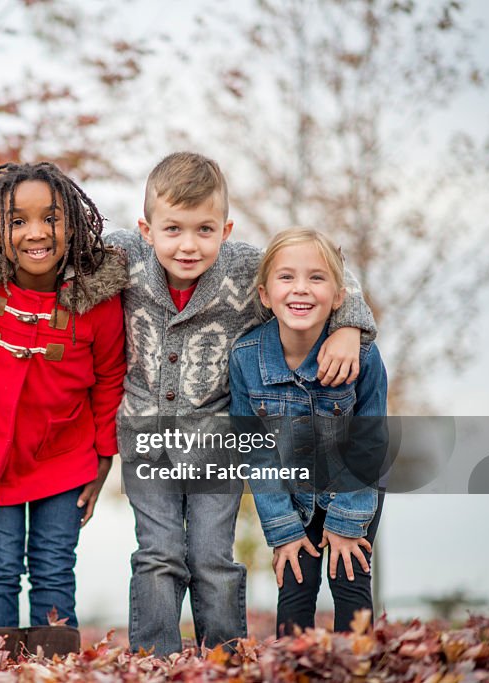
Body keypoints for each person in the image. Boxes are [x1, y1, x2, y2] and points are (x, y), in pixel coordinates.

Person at [104, 152, 377, 655]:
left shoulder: (247, 267)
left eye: (205, 229)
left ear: (226, 228)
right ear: (146, 229)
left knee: (212, 556)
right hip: (146, 437)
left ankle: (225, 657)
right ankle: (153, 659)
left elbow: (326, 268)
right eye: (173, 230)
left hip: (219, 441)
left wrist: (350, 326)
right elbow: (54, 253)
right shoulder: (123, 255)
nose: (188, 245)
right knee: (158, 555)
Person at [0, 161, 127, 656]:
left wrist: (103, 458)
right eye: (17, 220)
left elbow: (110, 377)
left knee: (53, 564)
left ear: (72, 224)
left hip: (66, 457)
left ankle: (57, 667)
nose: (36, 233)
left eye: (51, 218)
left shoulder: (97, 298)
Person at [229, 228, 388, 636]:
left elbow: (370, 441)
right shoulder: (246, 359)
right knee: (296, 586)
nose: (301, 289)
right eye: (287, 277)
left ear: (339, 296)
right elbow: (257, 454)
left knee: (350, 578)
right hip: (290, 489)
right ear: (265, 295)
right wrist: (282, 530)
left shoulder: (364, 357)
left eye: (316, 277)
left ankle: (358, 668)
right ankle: (291, 668)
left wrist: (347, 521)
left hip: (354, 484)